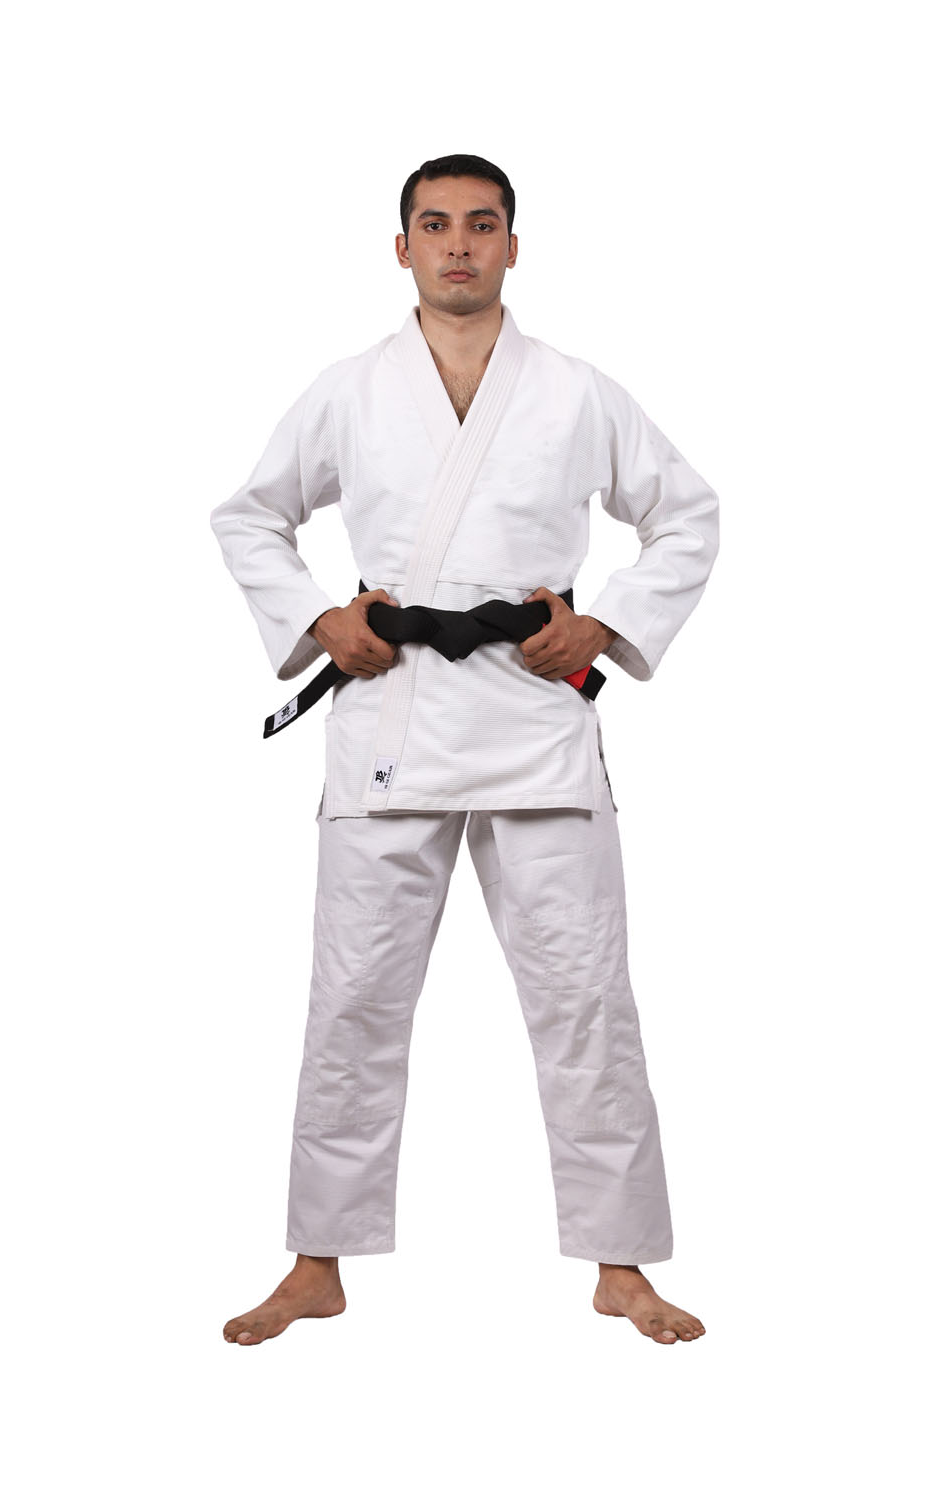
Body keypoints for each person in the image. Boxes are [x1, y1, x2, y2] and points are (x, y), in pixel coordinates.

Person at [210, 154, 719, 1346]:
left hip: (534, 718)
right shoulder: (350, 390)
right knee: (352, 1001)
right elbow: (250, 515)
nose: (457, 245)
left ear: (512, 246)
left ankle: (622, 1266)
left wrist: (607, 626)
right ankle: (317, 1262)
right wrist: (318, 620)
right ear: (402, 248)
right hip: (391, 716)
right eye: (434, 225)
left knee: (587, 999)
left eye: (481, 225)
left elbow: (688, 513)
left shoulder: (577, 392)